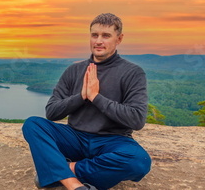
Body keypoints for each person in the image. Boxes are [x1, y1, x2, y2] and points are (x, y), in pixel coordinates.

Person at [22, 13, 151, 190]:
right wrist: (82, 96)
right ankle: (75, 184)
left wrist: (96, 97)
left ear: (119, 39)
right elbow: (51, 112)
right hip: (75, 138)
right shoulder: (74, 70)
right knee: (33, 125)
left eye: (106, 36)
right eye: (94, 35)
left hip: (111, 141)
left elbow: (137, 120)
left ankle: (63, 170)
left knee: (139, 161)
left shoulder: (132, 73)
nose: (98, 41)